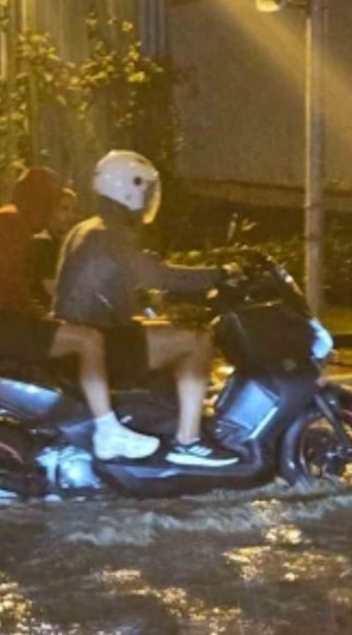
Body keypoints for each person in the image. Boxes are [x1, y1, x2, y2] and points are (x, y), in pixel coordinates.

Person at [0, 166, 158, 461]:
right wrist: (39, 319)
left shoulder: (10, 222)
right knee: (88, 340)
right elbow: (8, 283)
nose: (54, 213)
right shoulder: (12, 224)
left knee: (78, 338)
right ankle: (107, 430)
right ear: (40, 202)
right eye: (52, 204)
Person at [54, 150, 240, 468]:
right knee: (198, 340)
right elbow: (158, 275)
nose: (151, 199)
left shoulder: (89, 228)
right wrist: (220, 274)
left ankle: (165, 417)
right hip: (102, 339)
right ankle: (188, 441)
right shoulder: (110, 234)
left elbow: (113, 284)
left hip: (86, 332)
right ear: (131, 189)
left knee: (167, 328)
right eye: (148, 190)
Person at [31, 187, 79, 307]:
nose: (70, 216)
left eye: (73, 210)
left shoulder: (57, 242)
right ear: (50, 211)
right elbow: (54, 291)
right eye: (64, 209)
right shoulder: (43, 242)